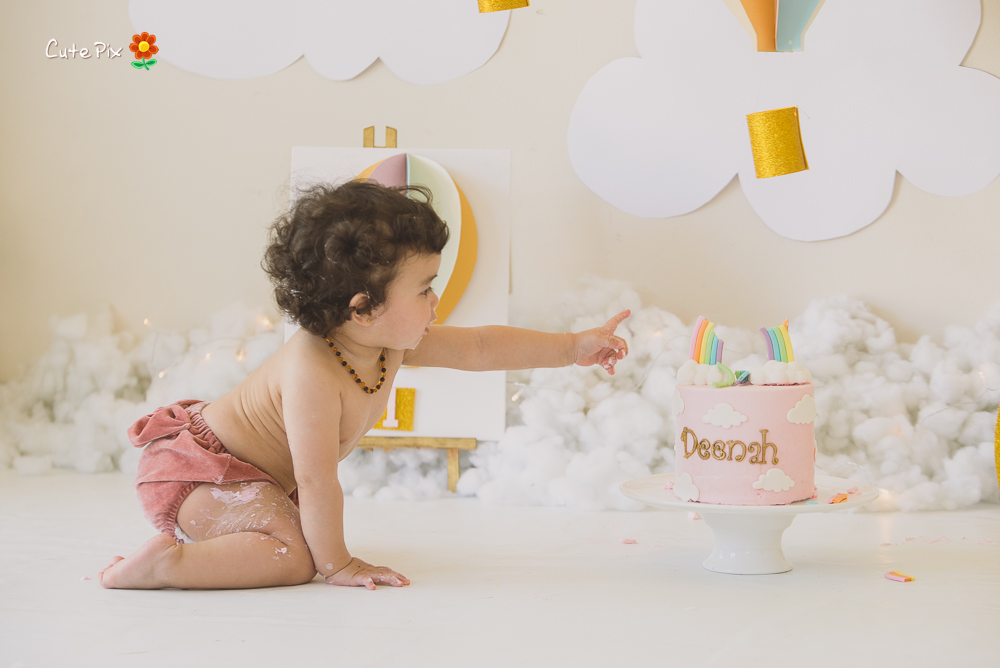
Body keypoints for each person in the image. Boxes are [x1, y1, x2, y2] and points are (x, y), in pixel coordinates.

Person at [99, 180, 630, 591]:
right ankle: (166, 565)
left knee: (293, 542)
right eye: (424, 289)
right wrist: (337, 564)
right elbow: (315, 481)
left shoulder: (385, 341)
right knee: (294, 557)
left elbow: (479, 347)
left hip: (252, 480)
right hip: (198, 473)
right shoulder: (311, 370)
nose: (435, 302)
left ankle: (188, 556)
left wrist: (571, 347)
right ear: (363, 308)